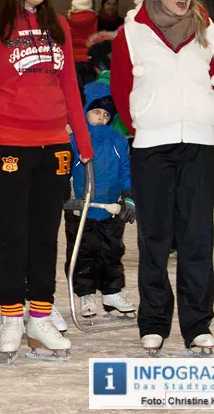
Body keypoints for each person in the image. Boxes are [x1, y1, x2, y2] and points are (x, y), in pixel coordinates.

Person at [0, 0, 93, 361]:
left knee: (45, 233)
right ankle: (10, 316)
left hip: (54, 144)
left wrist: (83, 140)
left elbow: (71, 89)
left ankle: (39, 317)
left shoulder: (57, 25)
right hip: (8, 145)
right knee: (13, 234)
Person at [110, 0, 214, 356]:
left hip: (197, 144)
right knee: (154, 238)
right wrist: (141, 124)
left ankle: (198, 325)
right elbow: (122, 85)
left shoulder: (206, 28)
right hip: (151, 147)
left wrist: (200, 114)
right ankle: (154, 323)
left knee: (197, 237)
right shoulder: (132, 32)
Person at [64, 81, 137, 322]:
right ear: (84, 110)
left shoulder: (118, 140)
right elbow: (63, 170)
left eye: (106, 114)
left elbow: (126, 169)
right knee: (84, 251)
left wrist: (128, 196)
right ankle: (85, 294)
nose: (101, 118)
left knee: (112, 251)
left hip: (110, 207)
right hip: (81, 208)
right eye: (96, 112)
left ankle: (112, 292)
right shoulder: (74, 140)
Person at [68, 0, 99, 90]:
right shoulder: (94, 19)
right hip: (89, 59)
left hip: (74, 60)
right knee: (90, 89)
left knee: (77, 90)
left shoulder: (69, 20)